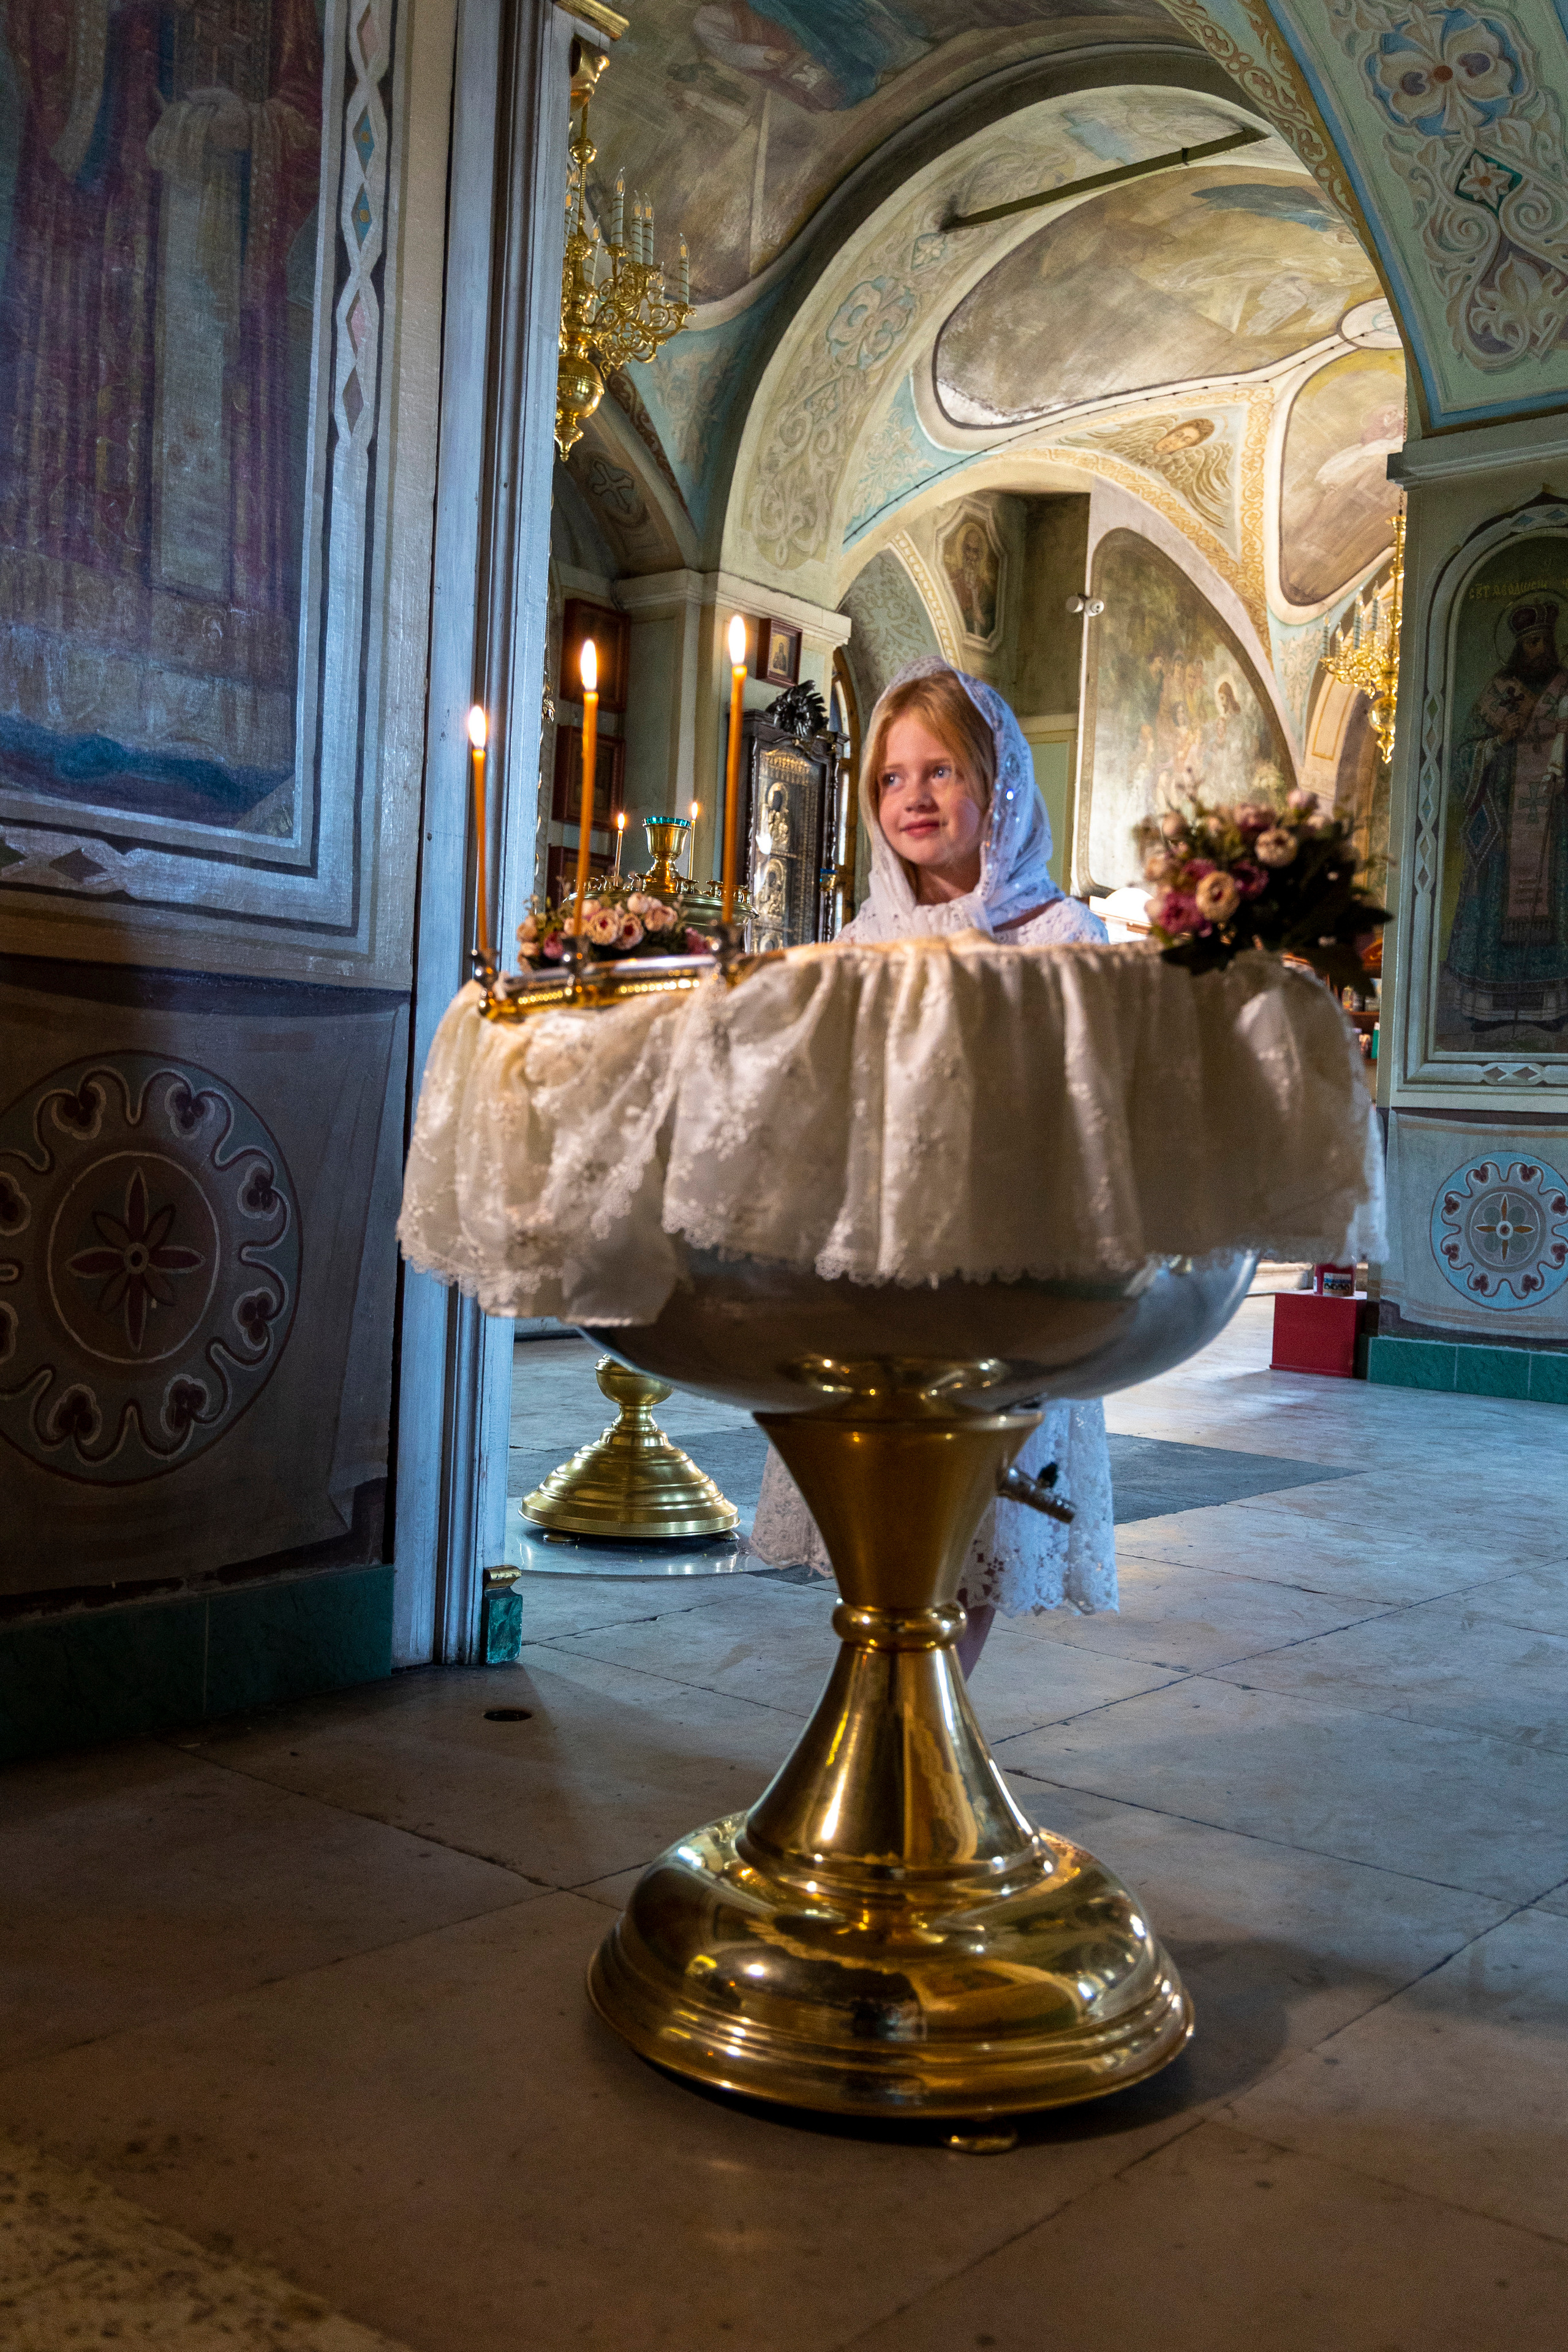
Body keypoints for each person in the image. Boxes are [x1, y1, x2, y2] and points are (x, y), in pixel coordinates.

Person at [749, 657, 1117, 1675]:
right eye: (891, 778)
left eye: (941, 771)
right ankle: (886, 1723)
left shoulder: (1060, 937)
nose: (913, 796)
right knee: (879, 1508)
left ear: (999, 784)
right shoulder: (859, 941)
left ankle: (927, 1729)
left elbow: (1090, 1110)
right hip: (874, 1265)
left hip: (1007, 1274)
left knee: (979, 1522)